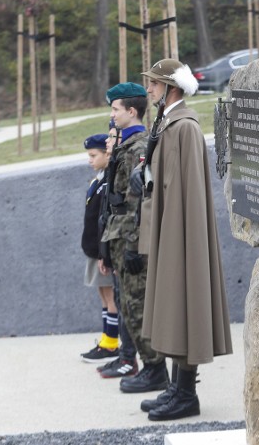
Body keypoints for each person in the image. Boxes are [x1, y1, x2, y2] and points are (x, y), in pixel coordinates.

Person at [135, 59, 233, 421]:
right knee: (173, 304)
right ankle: (177, 387)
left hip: (182, 228)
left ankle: (186, 392)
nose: (149, 90)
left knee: (184, 302)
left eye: (155, 84)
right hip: (170, 224)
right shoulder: (167, 122)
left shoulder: (185, 127)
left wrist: (177, 231)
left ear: (170, 88)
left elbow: (186, 188)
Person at [99, 82, 170, 394]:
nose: (112, 114)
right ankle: (150, 366)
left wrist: (131, 247)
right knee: (129, 306)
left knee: (137, 306)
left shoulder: (139, 147)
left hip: (132, 240)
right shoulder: (126, 145)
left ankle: (155, 369)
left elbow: (141, 204)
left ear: (131, 111)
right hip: (120, 237)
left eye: (116, 109)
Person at [96, 124, 140, 379]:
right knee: (122, 301)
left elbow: (133, 206)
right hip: (115, 240)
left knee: (130, 306)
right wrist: (105, 252)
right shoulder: (112, 165)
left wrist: (131, 246)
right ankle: (125, 355)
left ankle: (131, 360)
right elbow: (106, 213)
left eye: (113, 138)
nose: (108, 143)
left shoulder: (132, 154)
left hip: (127, 241)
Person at [78, 132, 120, 363]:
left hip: (103, 252)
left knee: (110, 295)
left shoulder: (108, 182)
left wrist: (106, 253)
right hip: (93, 250)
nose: (90, 160)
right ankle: (106, 339)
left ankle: (112, 344)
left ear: (107, 154)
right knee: (103, 296)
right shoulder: (98, 180)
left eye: (94, 155)